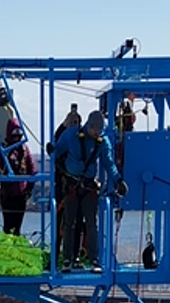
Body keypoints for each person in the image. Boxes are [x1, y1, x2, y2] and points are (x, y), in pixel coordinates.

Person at [52, 110, 128, 271]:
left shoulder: (102, 142)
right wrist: (51, 150)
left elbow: (109, 164)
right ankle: (67, 259)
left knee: (91, 223)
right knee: (69, 223)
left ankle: (94, 260)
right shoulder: (71, 135)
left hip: (88, 186)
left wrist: (118, 180)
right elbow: (56, 151)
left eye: (100, 131)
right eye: (95, 130)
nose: (97, 133)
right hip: (72, 184)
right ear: (89, 126)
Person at [0, 119, 36, 237]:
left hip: (21, 194)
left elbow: (32, 169)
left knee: (17, 227)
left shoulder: (24, 149)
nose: (17, 137)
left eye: (19, 134)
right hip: (8, 194)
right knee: (8, 226)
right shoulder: (3, 149)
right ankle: (7, 249)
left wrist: (30, 187)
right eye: (14, 134)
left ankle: (15, 249)